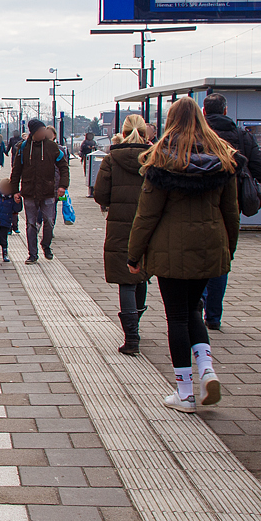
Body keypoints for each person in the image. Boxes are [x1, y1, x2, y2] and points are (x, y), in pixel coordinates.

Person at [127, 97, 239, 413]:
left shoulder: (161, 159)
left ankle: (185, 393)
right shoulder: (223, 158)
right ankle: (207, 369)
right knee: (195, 309)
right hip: (209, 247)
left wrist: (134, 255)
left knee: (176, 316)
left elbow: (146, 215)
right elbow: (231, 211)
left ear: (170, 121)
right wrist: (228, 248)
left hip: (170, 251)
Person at [198, 92, 261, 331]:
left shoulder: (196, 134)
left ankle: (199, 299)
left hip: (199, 202)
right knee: (222, 258)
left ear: (204, 111)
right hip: (231, 205)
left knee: (197, 254)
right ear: (226, 110)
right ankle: (214, 315)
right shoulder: (242, 136)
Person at [94, 114, 150, 355]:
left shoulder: (111, 158)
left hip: (119, 225)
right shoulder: (155, 158)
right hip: (148, 224)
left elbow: (100, 195)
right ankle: (136, 324)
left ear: (123, 132)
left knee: (126, 279)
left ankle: (131, 338)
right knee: (141, 274)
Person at [8, 119, 69, 264]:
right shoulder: (23, 148)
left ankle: (46, 245)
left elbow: (63, 166)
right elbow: (16, 170)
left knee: (49, 220)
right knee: (31, 224)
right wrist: (15, 191)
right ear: (33, 132)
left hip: (48, 190)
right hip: (29, 191)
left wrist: (63, 186)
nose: (43, 133)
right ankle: (32, 254)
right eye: (40, 131)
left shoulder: (52, 147)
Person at [0, 179, 21, 263]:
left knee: (3, 239)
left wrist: (18, 202)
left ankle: (5, 253)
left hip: (5, 223)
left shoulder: (12, 199)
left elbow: (17, 209)